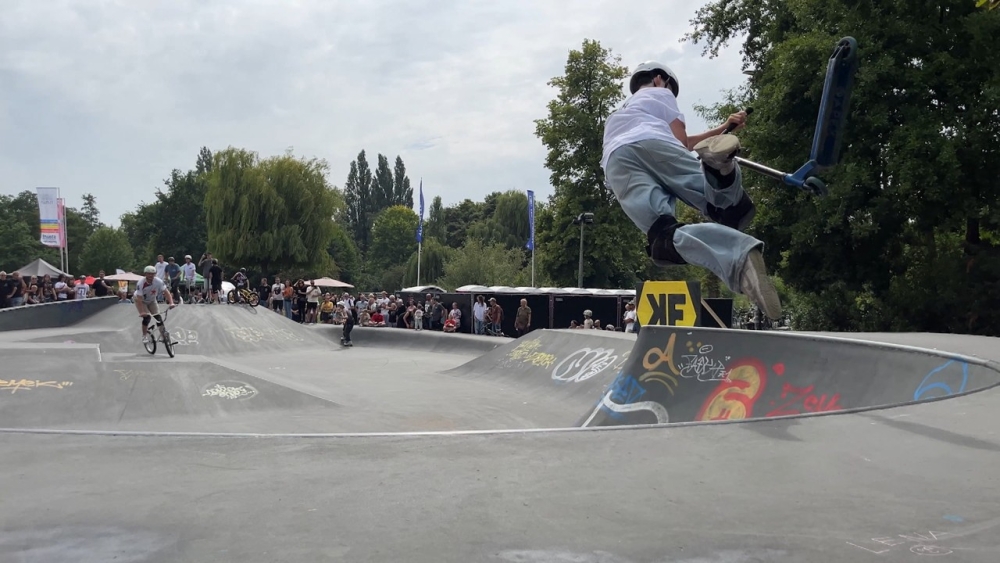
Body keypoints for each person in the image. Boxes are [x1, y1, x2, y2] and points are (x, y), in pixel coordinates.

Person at [601, 61, 781, 319]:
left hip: (617, 161)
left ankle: (737, 259)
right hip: (658, 147)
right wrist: (720, 132)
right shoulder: (660, 93)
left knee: (663, 238)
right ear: (659, 79)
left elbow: (681, 144)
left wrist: (722, 128)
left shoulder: (620, 115)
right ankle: (720, 169)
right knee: (729, 209)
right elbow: (681, 142)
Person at [134, 265, 175, 343]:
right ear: (145, 274)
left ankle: (164, 337)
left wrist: (171, 303)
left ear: (155, 274)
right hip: (141, 301)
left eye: (152, 274)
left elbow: (166, 292)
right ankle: (144, 335)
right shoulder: (141, 283)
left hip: (152, 300)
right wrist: (142, 311)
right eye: (148, 274)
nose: (150, 276)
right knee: (147, 318)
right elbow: (139, 299)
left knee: (158, 318)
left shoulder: (158, 281)